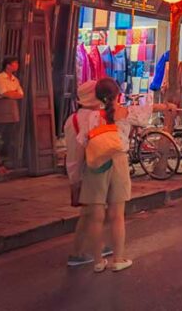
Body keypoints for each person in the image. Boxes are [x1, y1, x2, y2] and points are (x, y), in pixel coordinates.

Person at [77, 77, 172, 272]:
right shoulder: (126, 113)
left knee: (96, 217)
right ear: (118, 94)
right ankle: (118, 259)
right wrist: (166, 106)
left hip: (96, 164)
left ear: (97, 96)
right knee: (117, 215)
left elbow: (82, 142)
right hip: (118, 161)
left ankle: (97, 262)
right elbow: (150, 109)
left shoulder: (91, 117)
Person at [63, 80, 111, 267]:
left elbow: (73, 156)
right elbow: (75, 155)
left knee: (92, 211)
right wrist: (75, 181)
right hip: (91, 172)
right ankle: (80, 251)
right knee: (91, 212)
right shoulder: (88, 119)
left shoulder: (77, 119)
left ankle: (94, 245)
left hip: (92, 171)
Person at [0, 56, 24, 166]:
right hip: (2, 108)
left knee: (10, 135)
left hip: (12, 108)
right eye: (15, 63)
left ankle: (7, 158)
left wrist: (12, 94)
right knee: (0, 132)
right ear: (8, 65)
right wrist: (12, 93)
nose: (17, 65)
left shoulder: (15, 79)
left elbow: (21, 94)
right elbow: (4, 93)